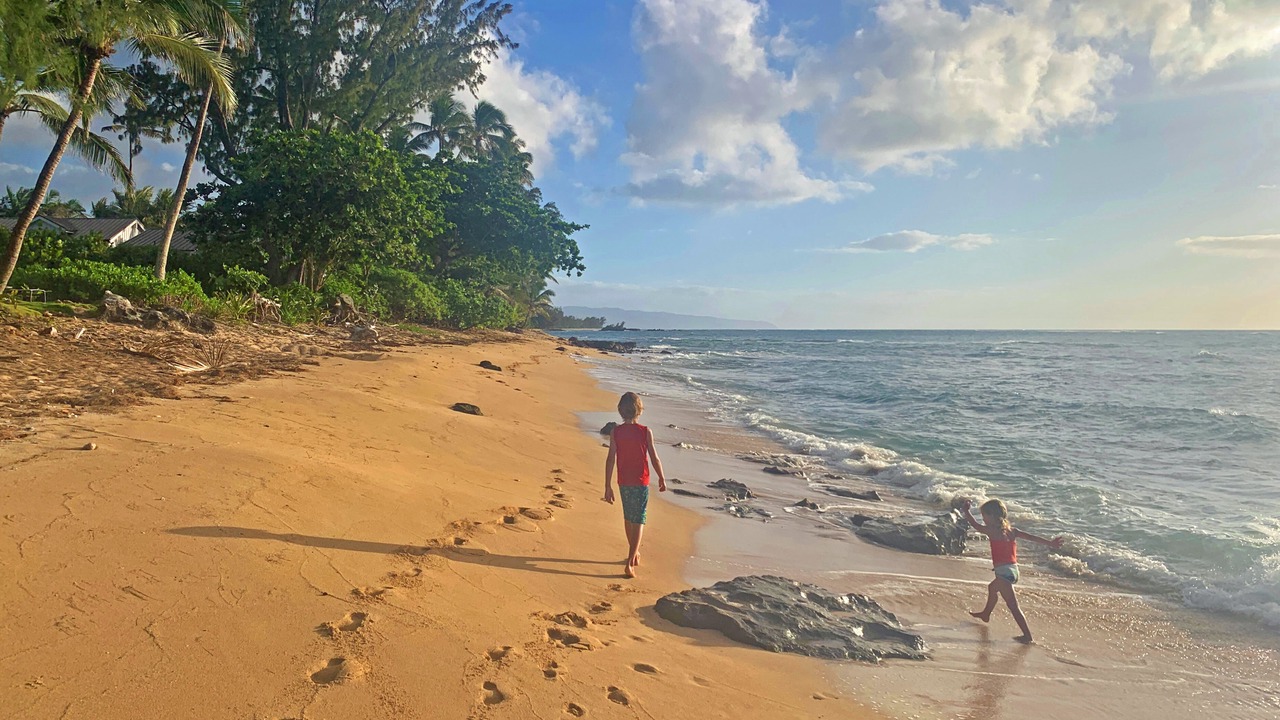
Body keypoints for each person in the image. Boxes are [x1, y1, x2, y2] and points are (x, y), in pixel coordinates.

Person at [960, 498, 1063, 643]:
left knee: (1013, 607)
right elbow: (1031, 537)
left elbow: (975, 525)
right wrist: (1050, 543)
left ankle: (1027, 636)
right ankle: (986, 614)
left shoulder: (992, 531)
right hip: (1013, 570)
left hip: (1003, 573)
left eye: (984, 516)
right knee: (992, 588)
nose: (983, 519)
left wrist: (966, 511)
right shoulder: (1012, 531)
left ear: (992, 516)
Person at [603, 392, 667, 578]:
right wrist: (661, 477)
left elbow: (610, 459)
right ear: (639, 410)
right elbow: (654, 458)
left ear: (620, 411)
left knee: (629, 518)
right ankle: (630, 562)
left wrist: (607, 486)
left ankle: (634, 553)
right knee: (639, 519)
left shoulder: (616, 432)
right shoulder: (645, 432)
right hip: (640, 481)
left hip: (623, 481)